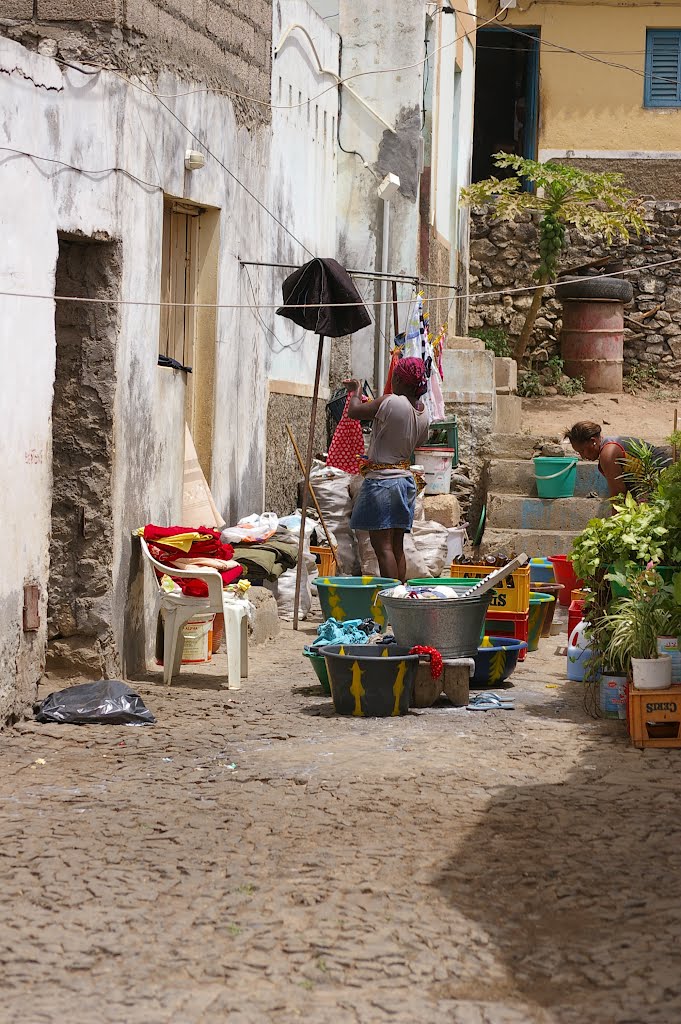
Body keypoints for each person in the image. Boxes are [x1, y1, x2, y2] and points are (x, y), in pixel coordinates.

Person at [345, 357, 431, 583]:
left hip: (383, 483)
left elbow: (355, 412)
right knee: (396, 547)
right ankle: (400, 595)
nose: (391, 380)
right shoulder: (424, 413)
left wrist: (354, 391)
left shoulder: (392, 402)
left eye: (394, 376)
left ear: (401, 380)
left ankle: (391, 597)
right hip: (405, 482)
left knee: (382, 548)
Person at [564, 421, 672, 503]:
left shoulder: (608, 454)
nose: (583, 456)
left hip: (663, 478)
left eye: (582, 450)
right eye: (579, 452)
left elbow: (618, 495)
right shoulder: (608, 447)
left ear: (593, 442)